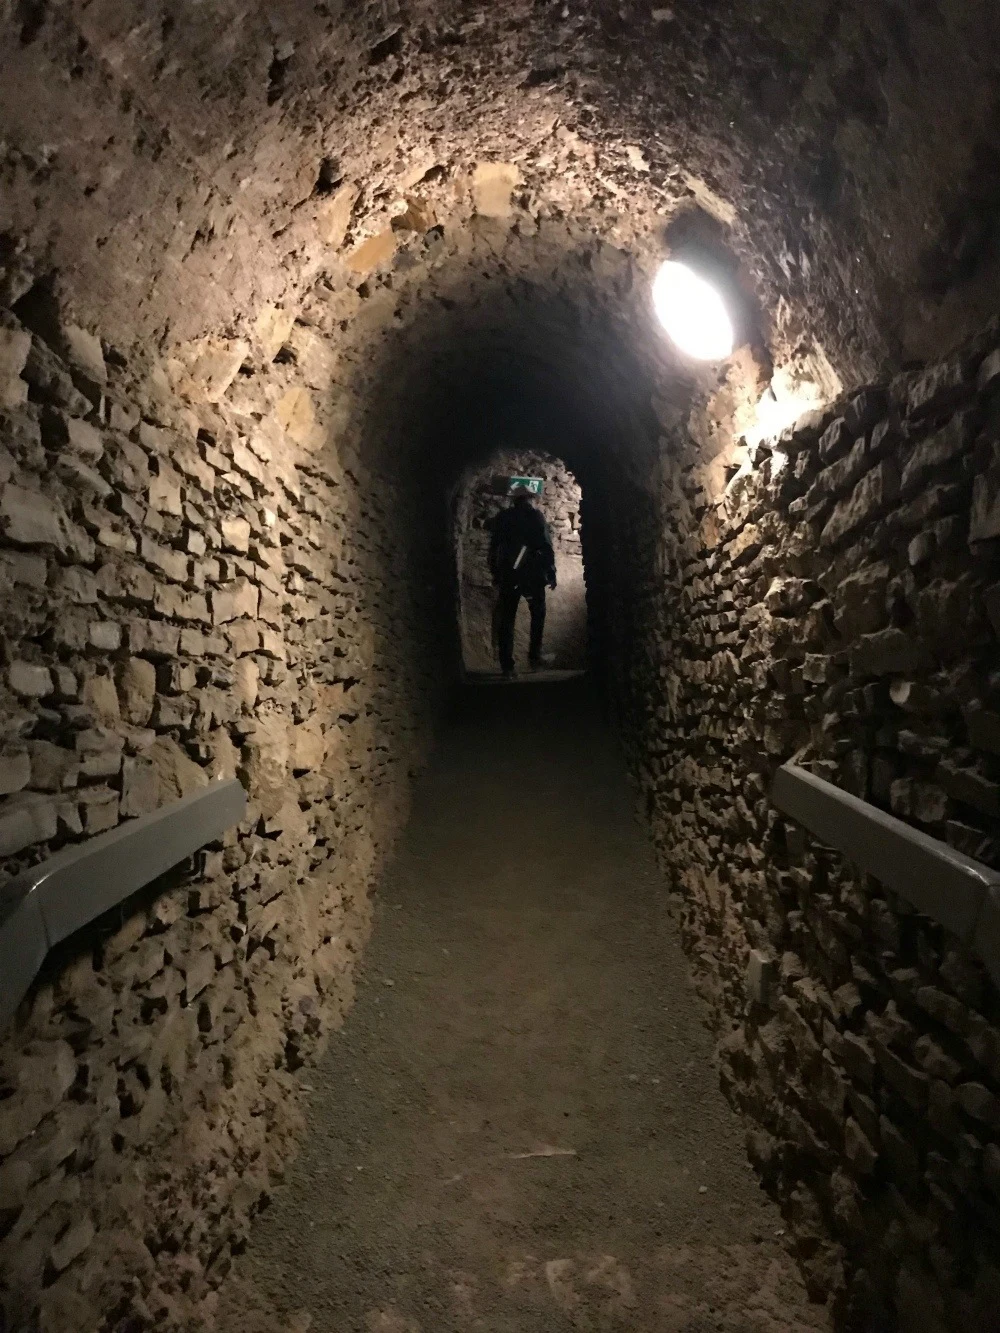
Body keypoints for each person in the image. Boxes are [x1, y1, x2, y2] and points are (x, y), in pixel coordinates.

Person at [488, 483, 557, 677]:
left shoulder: (503, 518)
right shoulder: (536, 517)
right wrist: (551, 572)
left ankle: (507, 666)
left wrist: (495, 572)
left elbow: (494, 547)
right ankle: (534, 657)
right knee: (538, 614)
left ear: (514, 500)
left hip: (509, 574)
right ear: (529, 499)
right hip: (532, 575)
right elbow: (546, 546)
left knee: (507, 618)